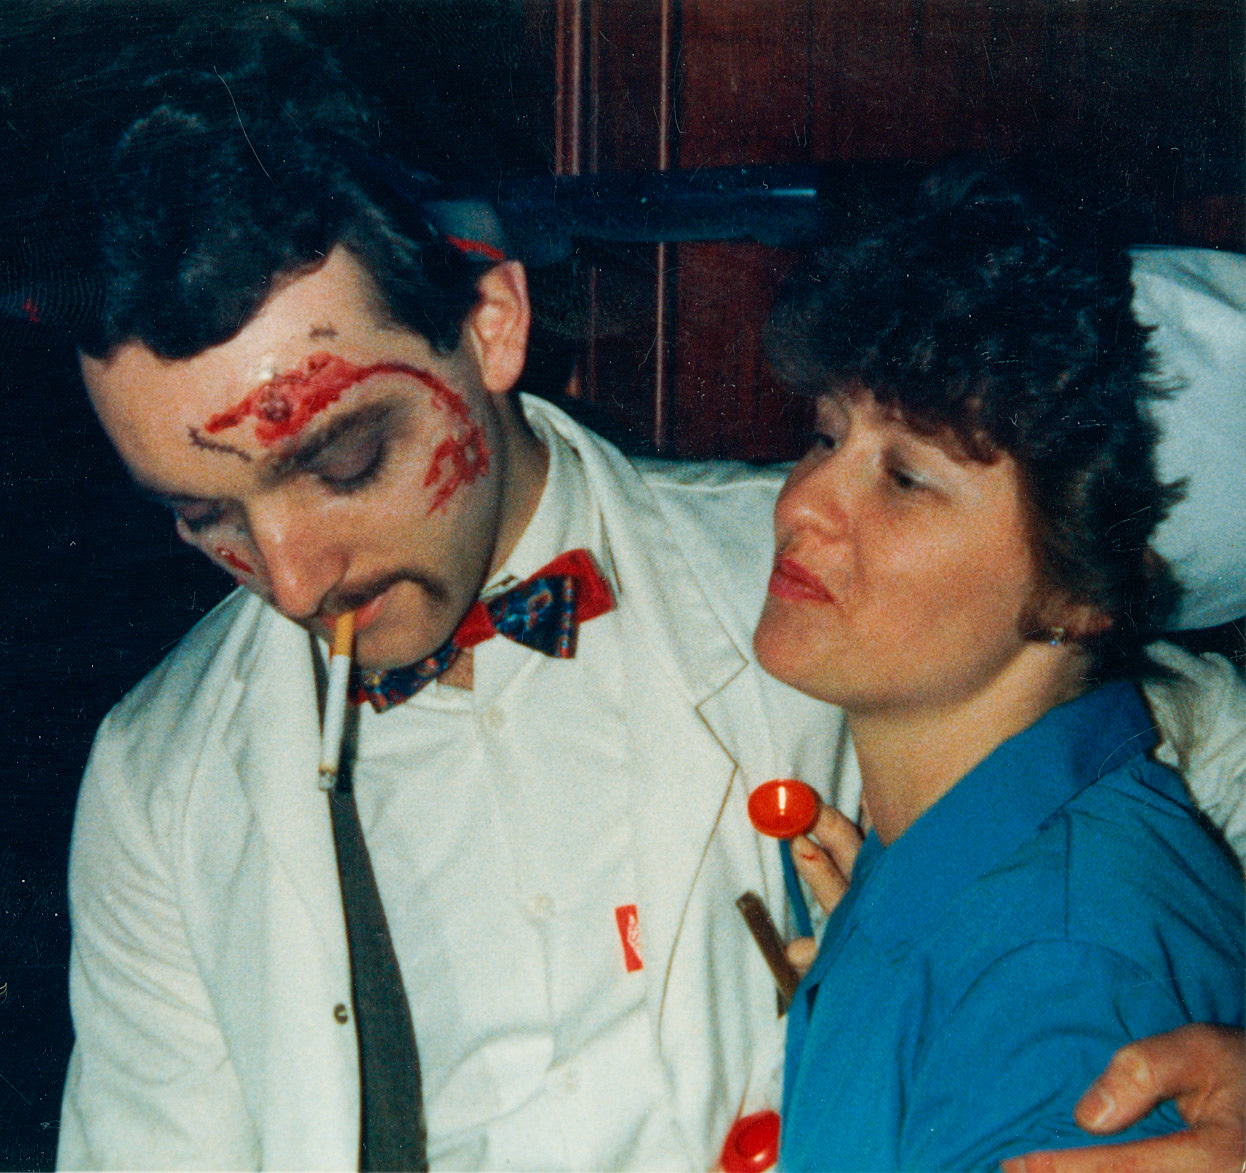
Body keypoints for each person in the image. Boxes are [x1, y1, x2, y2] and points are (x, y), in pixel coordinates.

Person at [57, 13, 1246, 1172]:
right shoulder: (162, 780)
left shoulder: (812, 585)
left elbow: (1176, 757)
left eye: (343, 459)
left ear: (491, 324)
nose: (292, 580)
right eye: (204, 514)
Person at [754, 166, 1245, 1170]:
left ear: (1080, 591)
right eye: (825, 436)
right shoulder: (958, 870)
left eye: (902, 478)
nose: (801, 504)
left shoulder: (1055, 966)